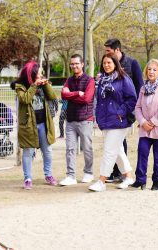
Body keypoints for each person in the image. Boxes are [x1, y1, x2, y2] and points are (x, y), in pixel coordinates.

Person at [88, 54, 137, 192]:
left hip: (118, 121)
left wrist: (120, 113)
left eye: (109, 62)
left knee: (109, 151)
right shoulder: (102, 80)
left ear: (115, 63)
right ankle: (128, 177)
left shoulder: (123, 79)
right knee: (117, 150)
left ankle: (102, 181)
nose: (106, 65)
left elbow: (132, 99)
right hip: (105, 121)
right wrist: (98, 117)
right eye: (104, 63)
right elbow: (100, 102)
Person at [11, 61, 58, 190]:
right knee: (28, 151)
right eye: (38, 73)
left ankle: (48, 175)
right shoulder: (20, 86)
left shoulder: (42, 84)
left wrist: (46, 84)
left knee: (47, 150)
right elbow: (25, 99)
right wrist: (34, 86)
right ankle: (28, 178)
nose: (40, 74)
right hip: (28, 125)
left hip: (44, 123)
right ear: (31, 74)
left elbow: (53, 97)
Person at [104, 38, 144, 182]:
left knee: (119, 139)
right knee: (116, 141)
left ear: (117, 50)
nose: (106, 53)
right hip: (110, 110)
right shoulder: (107, 64)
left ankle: (120, 173)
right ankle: (118, 172)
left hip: (126, 109)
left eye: (108, 51)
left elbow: (140, 86)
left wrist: (137, 111)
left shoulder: (132, 63)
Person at [132, 59, 158, 191]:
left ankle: (157, 181)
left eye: (154, 69)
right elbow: (137, 107)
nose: (151, 72)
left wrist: (152, 122)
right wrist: (143, 122)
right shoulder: (143, 88)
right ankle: (140, 180)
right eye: (149, 69)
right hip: (145, 129)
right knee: (142, 153)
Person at [59, 54, 95, 186]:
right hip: (70, 120)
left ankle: (89, 173)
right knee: (70, 149)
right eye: (72, 64)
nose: (74, 66)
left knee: (87, 148)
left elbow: (86, 99)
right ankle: (71, 176)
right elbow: (63, 95)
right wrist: (77, 93)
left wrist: (71, 95)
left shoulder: (90, 80)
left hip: (85, 119)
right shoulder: (69, 80)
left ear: (82, 64)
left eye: (76, 63)